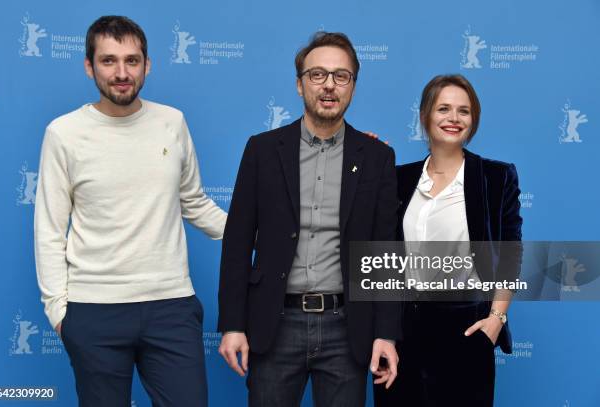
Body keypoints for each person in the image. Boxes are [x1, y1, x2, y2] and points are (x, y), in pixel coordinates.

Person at [34, 15, 227, 407]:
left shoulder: (172, 122)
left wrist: (264, 234)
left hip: (171, 305)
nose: (122, 73)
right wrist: (59, 312)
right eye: (108, 61)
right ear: (89, 66)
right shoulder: (63, 133)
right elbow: (49, 229)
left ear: (147, 64)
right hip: (94, 310)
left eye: (132, 60)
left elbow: (195, 203)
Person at [217, 32, 401, 406]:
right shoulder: (262, 150)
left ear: (353, 86)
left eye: (341, 76)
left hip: (347, 329)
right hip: (275, 323)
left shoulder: (377, 157)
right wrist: (233, 324)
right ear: (299, 85)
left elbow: (386, 253)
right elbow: (237, 244)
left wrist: (386, 334)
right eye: (317, 74)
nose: (329, 85)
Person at [374, 74, 522, 407]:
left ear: (474, 120)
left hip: (466, 327)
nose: (453, 118)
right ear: (425, 116)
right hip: (402, 331)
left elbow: (510, 254)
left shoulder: (495, 177)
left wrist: (496, 320)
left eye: (463, 111)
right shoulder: (396, 178)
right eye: (443, 109)